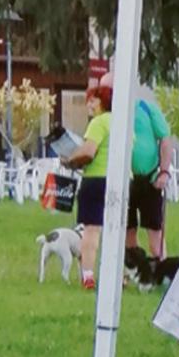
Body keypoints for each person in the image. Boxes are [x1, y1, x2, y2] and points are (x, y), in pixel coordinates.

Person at [101, 70, 177, 259]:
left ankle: (161, 269)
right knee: (126, 230)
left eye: (109, 90)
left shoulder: (145, 108)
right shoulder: (105, 116)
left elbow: (165, 139)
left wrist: (164, 171)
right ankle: (134, 269)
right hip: (123, 180)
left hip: (149, 178)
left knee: (155, 233)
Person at [61, 84, 112, 290]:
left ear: (103, 102)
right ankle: (118, 275)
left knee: (91, 230)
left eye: (93, 100)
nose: (89, 104)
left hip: (96, 179)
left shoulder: (98, 123)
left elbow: (89, 152)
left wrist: (71, 160)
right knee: (116, 230)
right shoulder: (123, 122)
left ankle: (88, 275)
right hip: (122, 180)